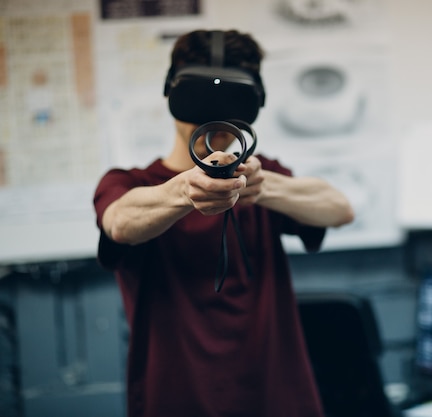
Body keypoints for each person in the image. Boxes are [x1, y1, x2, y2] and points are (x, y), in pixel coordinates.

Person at [93, 29, 354, 417]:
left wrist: (263, 187)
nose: (213, 117)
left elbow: (339, 208)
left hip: (276, 397)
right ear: (173, 93)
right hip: (176, 399)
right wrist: (184, 192)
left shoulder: (266, 179)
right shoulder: (130, 184)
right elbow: (119, 221)